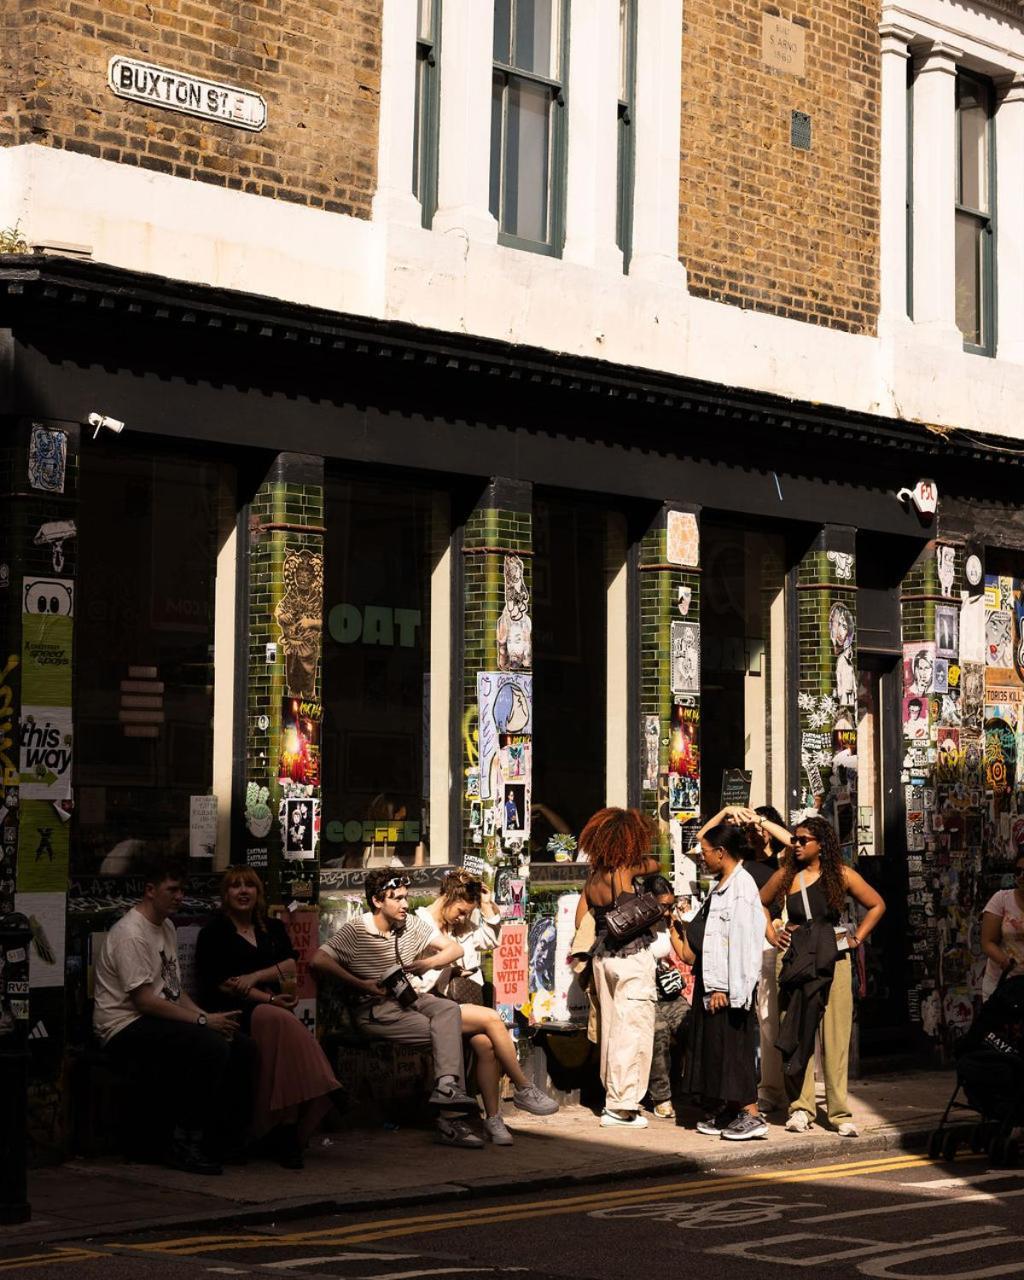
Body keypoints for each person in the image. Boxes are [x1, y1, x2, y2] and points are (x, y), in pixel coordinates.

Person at [92, 850, 255, 1175]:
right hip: (123, 1026)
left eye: (183, 890)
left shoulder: (165, 925)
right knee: (209, 1047)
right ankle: (182, 1143)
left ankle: (222, 1141)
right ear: (150, 890)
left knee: (242, 1047)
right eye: (173, 890)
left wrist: (210, 1020)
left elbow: (173, 990)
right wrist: (203, 1021)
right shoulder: (131, 933)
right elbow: (144, 1001)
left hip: (154, 1017)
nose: (180, 897)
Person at [310, 869, 483, 1148]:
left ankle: (446, 1090)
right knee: (445, 1035)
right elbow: (319, 960)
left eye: (406, 897)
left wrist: (426, 963)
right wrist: (361, 984)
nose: (405, 904)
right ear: (378, 902)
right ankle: (450, 1120)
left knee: (449, 1011)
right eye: (397, 899)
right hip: (375, 1009)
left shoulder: (411, 924)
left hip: (409, 999)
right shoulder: (357, 930)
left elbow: (455, 951)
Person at [195, 867, 340, 1168]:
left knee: (281, 1036)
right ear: (226, 894)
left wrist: (255, 976)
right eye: (236, 886)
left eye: (250, 886)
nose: (244, 891)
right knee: (281, 1020)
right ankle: (315, 1099)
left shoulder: (271, 928)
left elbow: (289, 963)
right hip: (233, 1010)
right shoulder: (214, 932)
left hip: (271, 1009)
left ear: (259, 894)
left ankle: (284, 1128)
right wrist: (270, 997)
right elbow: (224, 984)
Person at [759, 817, 886, 1137]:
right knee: (796, 1033)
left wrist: (857, 937)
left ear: (821, 845)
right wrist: (772, 933)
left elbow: (876, 905)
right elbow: (759, 901)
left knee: (836, 1035)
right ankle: (800, 1108)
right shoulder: (786, 876)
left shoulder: (841, 875)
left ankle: (839, 1112)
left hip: (834, 959)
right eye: (795, 840)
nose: (796, 845)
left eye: (803, 840)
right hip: (795, 962)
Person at [413, 868, 558, 1144]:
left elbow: (489, 940)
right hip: (429, 1003)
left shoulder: (459, 925)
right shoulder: (419, 924)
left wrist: (488, 905)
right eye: (460, 910)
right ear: (446, 898)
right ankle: (524, 1087)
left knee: (486, 1044)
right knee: (492, 1019)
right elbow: (417, 976)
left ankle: (493, 1120)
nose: (463, 917)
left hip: (456, 1005)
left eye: (468, 912)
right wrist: (449, 970)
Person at [677, 822, 768, 1141]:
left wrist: (728, 989)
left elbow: (743, 943)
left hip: (729, 988)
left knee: (735, 1050)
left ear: (721, 852)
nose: (702, 858)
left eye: (705, 853)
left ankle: (751, 1115)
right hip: (714, 983)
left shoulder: (742, 888)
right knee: (718, 1051)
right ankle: (731, 1110)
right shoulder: (723, 884)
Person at [575, 807, 661, 1129]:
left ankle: (612, 1098)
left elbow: (579, 921)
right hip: (630, 959)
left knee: (613, 1032)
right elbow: (656, 864)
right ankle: (622, 1106)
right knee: (634, 1031)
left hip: (603, 960)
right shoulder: (625, 869)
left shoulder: (594, 878)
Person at [644, 875, 691, 1120]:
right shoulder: (637, 922)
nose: (666, 911)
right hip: (644, 989)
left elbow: (685, 955)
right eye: (662, 905)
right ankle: (661, 1096)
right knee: (658, 1031)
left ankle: (694, 1087)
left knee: (692, 1024)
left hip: (666, 990)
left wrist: (676, 926)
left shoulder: (667, 921)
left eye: (669, 905)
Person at [980, 854, 1024, 999]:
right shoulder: (1001, 899)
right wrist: (1004, 961)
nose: (1022, 876)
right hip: (1001, 982)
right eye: (1018, 871)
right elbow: (987, 942)